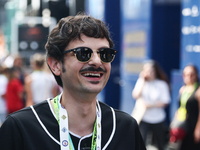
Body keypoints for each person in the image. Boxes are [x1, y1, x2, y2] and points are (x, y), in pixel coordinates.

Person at [0, 14, 146, 150]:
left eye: (104, 54)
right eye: (83, 53)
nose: (97, 61)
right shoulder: (21, 127)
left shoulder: (125, 127)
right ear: (56, 65)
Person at [132, 60, 171, 150]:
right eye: (146, 70)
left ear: (155, 71)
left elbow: (166, 101)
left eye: (151, 70)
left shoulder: (162, 84)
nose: (149, 73)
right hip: (144, 117)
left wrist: (151, 105)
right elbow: (135, 95)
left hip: (158, 119)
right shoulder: (141, 82)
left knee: (160, 143)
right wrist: (142, 79)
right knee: (141, 142)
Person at [174, 64, 200, 150]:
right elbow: (181, 106)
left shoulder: (198, 91)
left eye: (191, 74)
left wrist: (198, 129)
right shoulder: (183, 89)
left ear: (196, 75)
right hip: (183, 125)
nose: (189, 77)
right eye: (186, 74)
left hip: (193, 125)